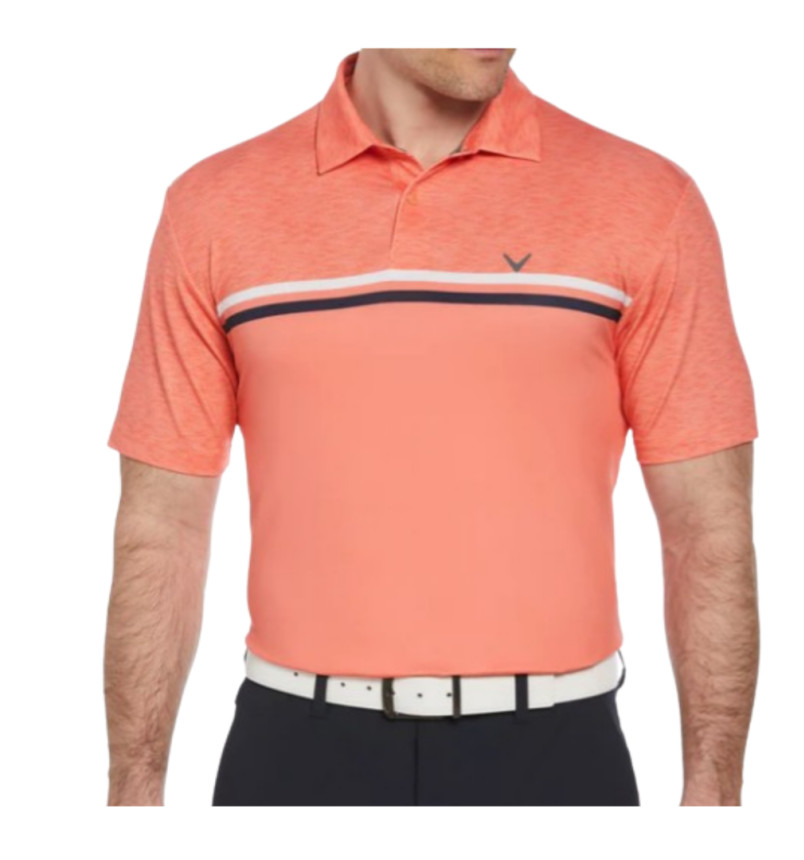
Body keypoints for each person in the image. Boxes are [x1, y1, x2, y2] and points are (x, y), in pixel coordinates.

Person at [104, 48, 759, 806]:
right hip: (292, 746)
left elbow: (707, 526)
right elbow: (164, 525)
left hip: (556, 750)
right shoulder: (214, 206)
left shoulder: (645, 198)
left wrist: (716, 804)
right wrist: (133, 798)